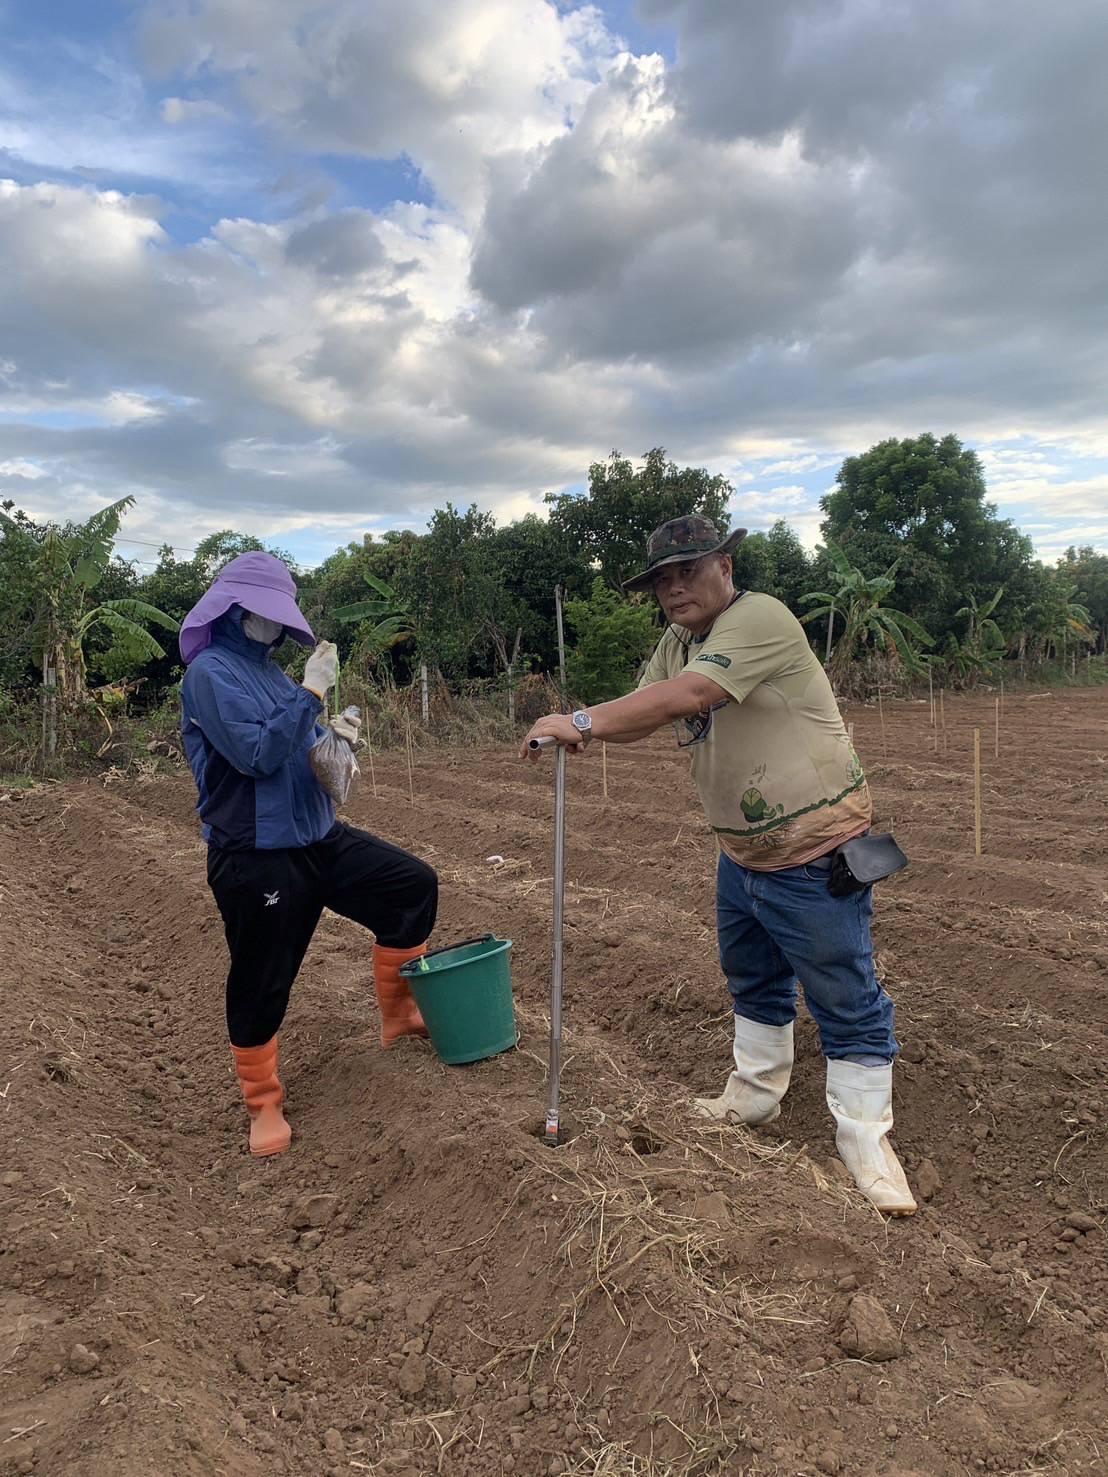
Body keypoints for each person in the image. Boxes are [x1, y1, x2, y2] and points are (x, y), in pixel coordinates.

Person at [523, 516, 915, 1215]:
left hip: (812, 851)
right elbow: (649, 704)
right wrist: (591, 731)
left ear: (725, 567)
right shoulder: (679, 641)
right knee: (753, 978)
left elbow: (691, 696)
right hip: (744, 853)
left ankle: (866, 1139)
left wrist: (581, 721)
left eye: (688, 569)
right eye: (662, 579)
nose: (674, 587)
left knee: (845, 995)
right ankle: (755, 1096)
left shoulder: (758, 617)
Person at [179, 552, 437, 1157]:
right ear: (239, 609)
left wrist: (333, 736)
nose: (277, 626)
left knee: (410, 886)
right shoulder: (210, 674)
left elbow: (299, 741)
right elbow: (256, 756)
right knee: (262, 977)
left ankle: (398, 1015)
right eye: (269, 614)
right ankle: (263, 1102)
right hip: (257, 854)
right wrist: (313, 690)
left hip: (318, 836)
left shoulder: (268, 672)